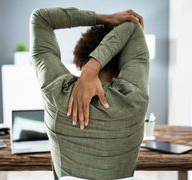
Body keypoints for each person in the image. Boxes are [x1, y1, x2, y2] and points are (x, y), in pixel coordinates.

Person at [30, 7, 149, 180]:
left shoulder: (57, 92)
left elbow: (40, 18)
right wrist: (95, 63)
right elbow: (133, 25)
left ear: (82, 60)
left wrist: (105, 18)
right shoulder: (133, 97)